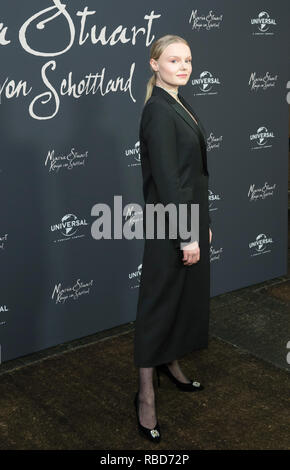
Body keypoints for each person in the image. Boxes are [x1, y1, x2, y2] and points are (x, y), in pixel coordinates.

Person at [133, 34, 212, 443]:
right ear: (154, 64)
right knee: (158, 305)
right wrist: (186, 237)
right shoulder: (158, 111)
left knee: (179, 299)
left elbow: (192, 173)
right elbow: (167, 180)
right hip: (169, 225)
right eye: (173, 60)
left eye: (188, 60)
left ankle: (170, 362)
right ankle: (146, 395)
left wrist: (202, 224)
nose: (183, 67)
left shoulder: (177, 102)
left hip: (186, 219)